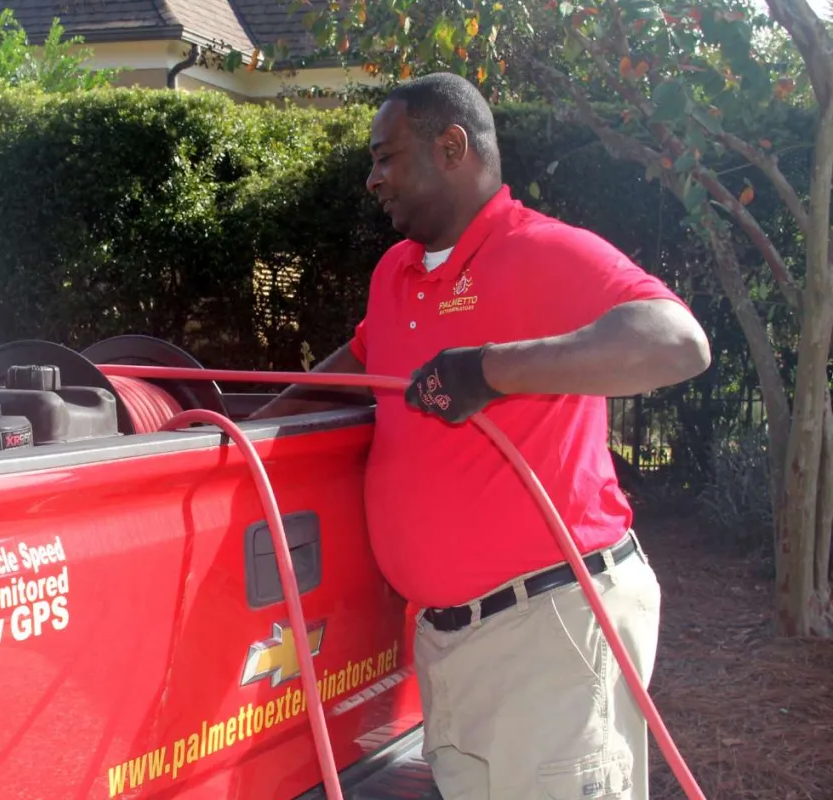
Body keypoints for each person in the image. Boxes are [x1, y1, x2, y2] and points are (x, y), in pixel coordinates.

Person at [248, 73, 710, 800]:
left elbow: (678, 343)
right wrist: (242, 433)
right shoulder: (396, 273)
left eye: (385, 157)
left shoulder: (542, 252)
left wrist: (493, 370)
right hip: (448, 644)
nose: (372, 180)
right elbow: (360, 363)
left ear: (452, 147)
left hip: (550, 630)